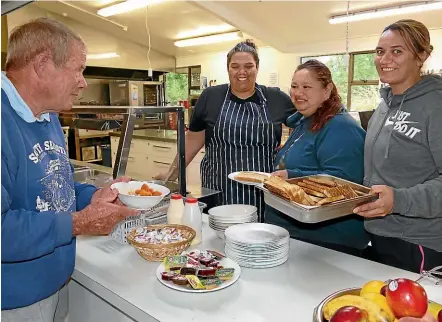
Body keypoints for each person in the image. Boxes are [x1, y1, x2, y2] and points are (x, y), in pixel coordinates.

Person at [1, 18, 138, 321]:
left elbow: (55, 185)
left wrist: (95, 197)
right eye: (77, 69)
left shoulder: (47, 114)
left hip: (57, 281)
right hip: (15, 301)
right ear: (42, 64)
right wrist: (78, 224)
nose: (83, 82)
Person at [156, 39, 294, 218]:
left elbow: (303, 125)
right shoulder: (211, 97)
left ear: (257, 68)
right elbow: (192, 140)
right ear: (228, 68)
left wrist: (289, 148)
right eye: (235, 66)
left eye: (248, 66)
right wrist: (172, 173)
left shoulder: (276, 98)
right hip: (218, 189)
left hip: (263, 192)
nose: (242, 72)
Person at [353, 19, 442, 273]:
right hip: (381, 233)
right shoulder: (385, 104)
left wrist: (399, 200)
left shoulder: (435, 105)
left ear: (422, 55)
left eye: (397, 51)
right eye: (380, 52)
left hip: (420, 242)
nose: (385, 59)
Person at [265, 59, 369, 255]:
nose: (298, 93)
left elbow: (345, 183)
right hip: (296, 235)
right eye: (294, 86)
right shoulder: (306, 120)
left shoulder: (341, 127)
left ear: (327, 90)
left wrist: (292, 175)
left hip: (328, 243)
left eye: (306, 87)